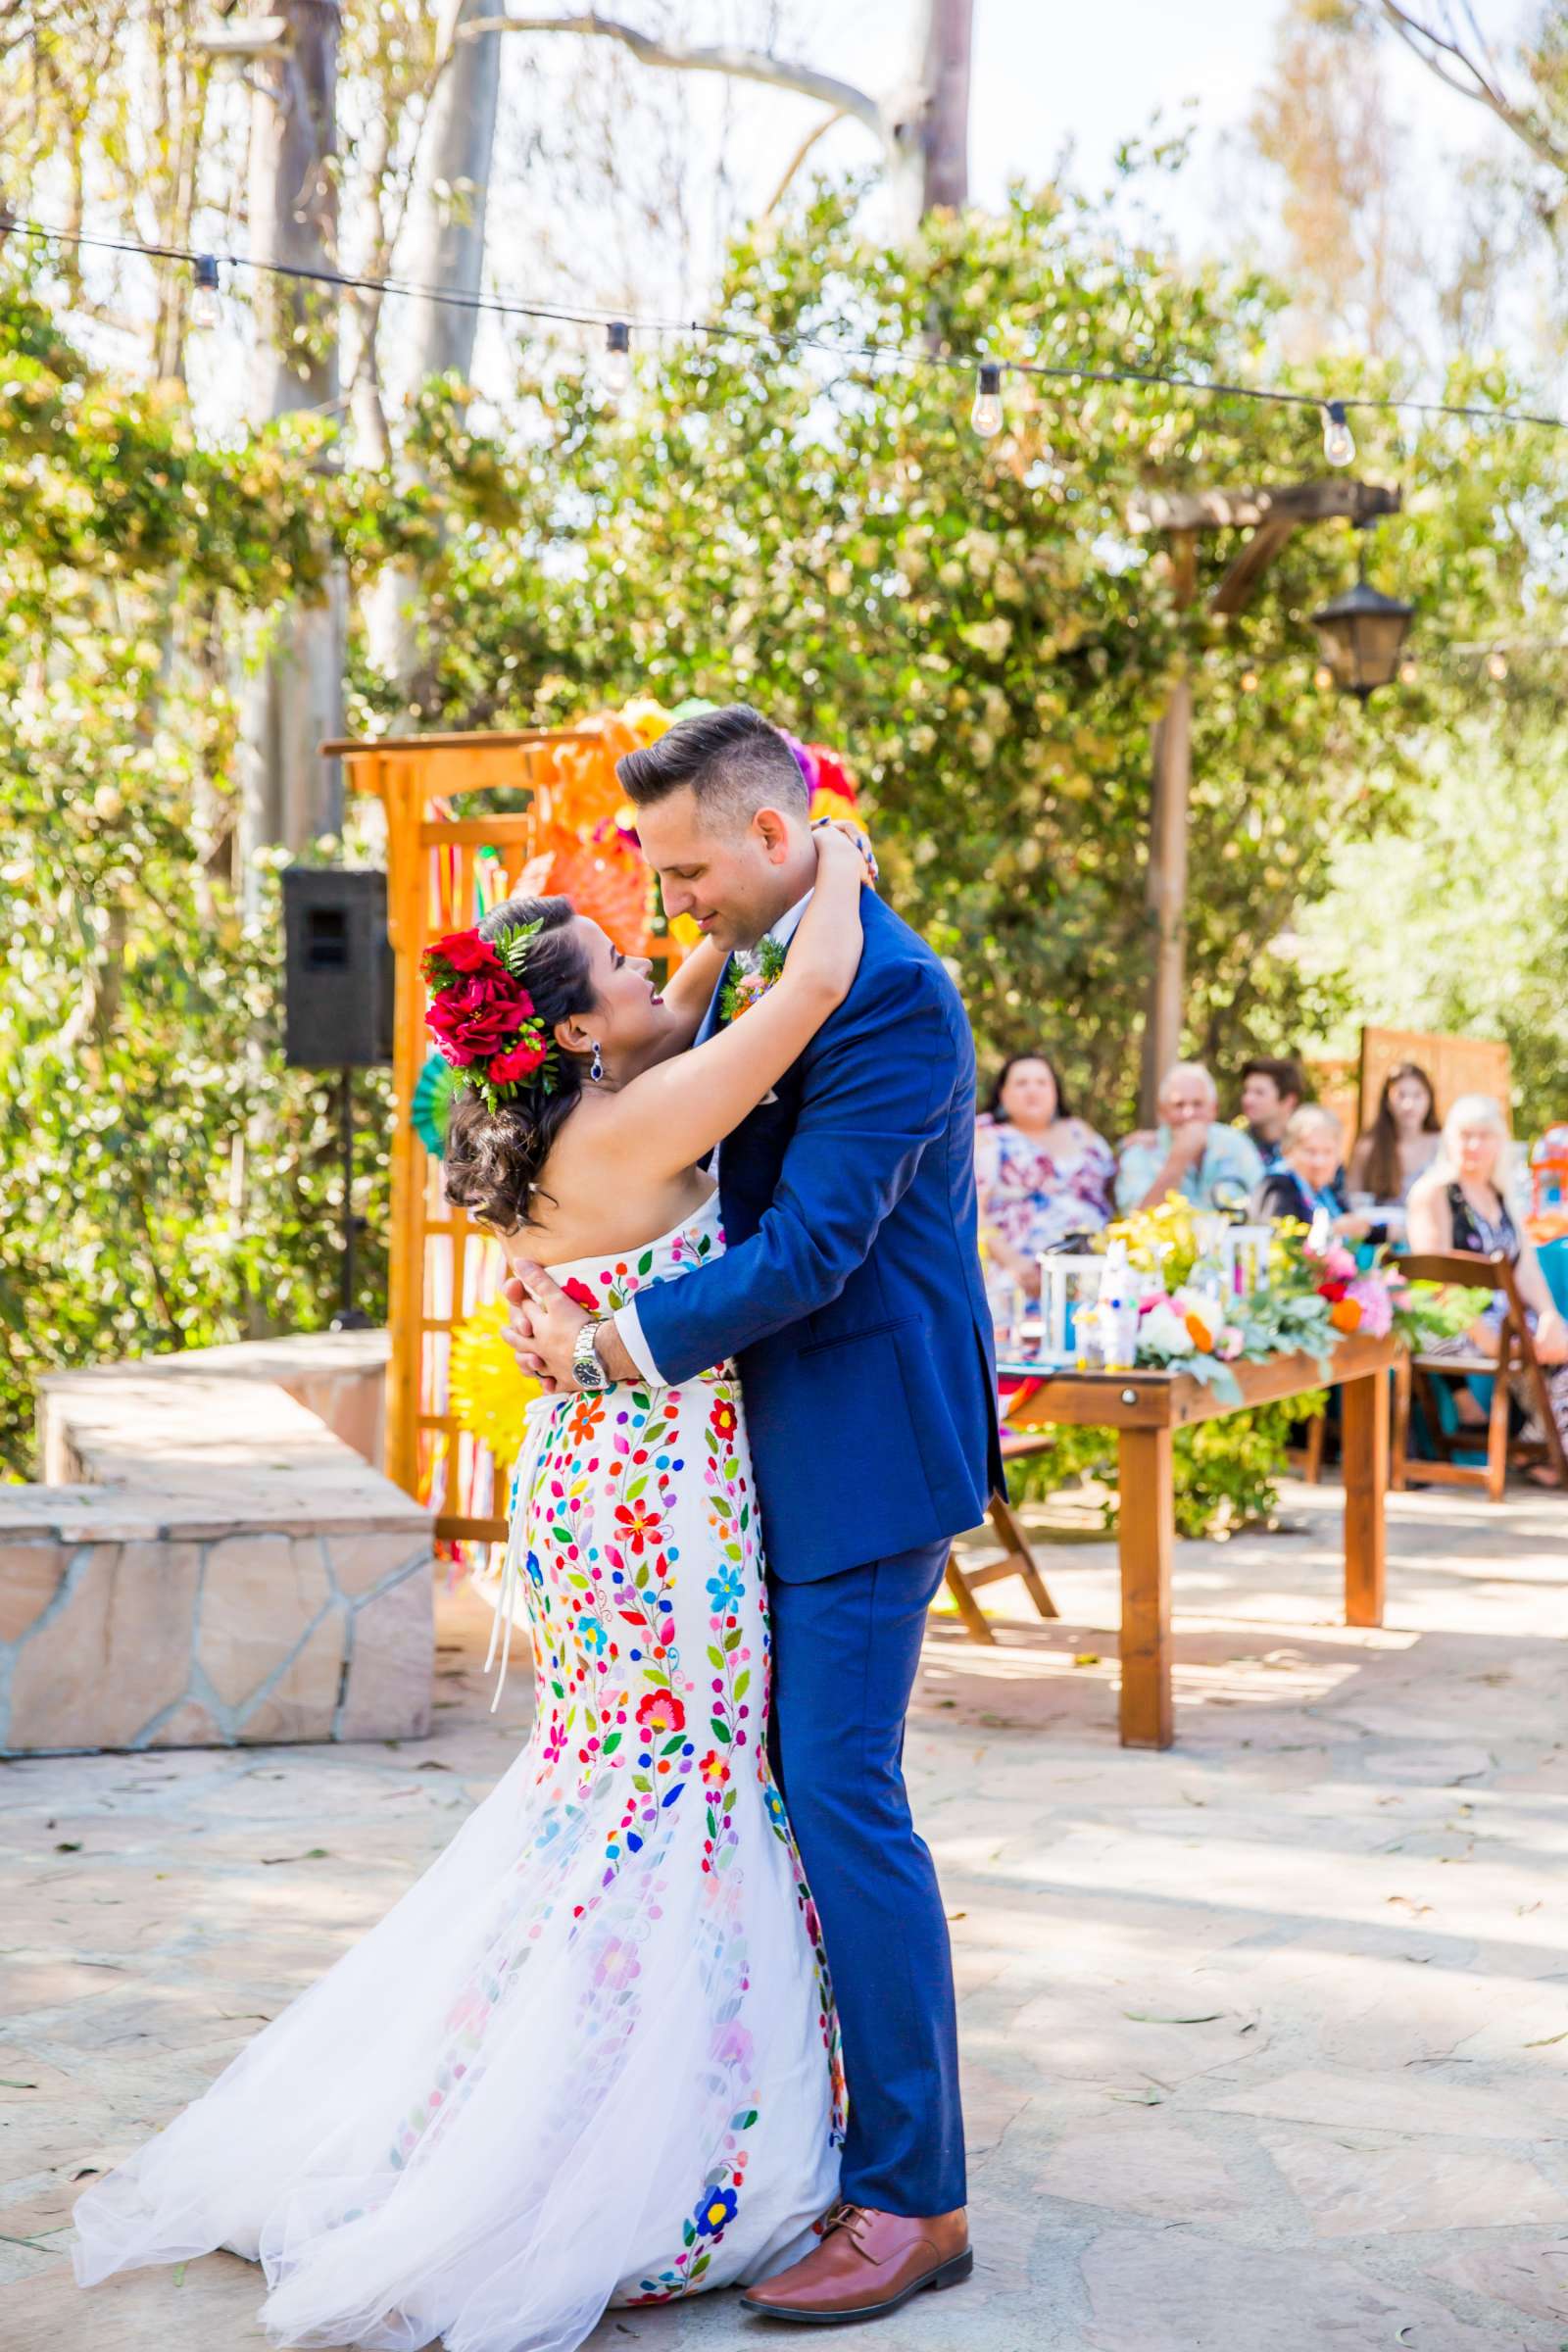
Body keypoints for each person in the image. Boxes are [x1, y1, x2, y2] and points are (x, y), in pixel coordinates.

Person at [73, 813, 899, 2348]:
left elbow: (682, 1000)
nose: (658, 949)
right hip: (660, 1498)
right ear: (577, 1029)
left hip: (581, 1490)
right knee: (687, 1781)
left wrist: (699, 941)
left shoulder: (566, 1122)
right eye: (620, 959)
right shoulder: (637, 1130)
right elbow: (797, 1002)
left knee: (607, 1786)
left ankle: (513, 2093)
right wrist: (830, 864)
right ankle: (639, 2143)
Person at [506, 705, 998, 2329]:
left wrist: (605, 1347)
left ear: (778, 839)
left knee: (840, 1793)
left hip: (860, 1451)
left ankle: (916, 2201)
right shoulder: (772, 956)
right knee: (782, 1796)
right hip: (756, 1454)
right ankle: (811, 2133)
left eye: (690, 868)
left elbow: (815, 1257)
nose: (672, 905)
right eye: (655, 879)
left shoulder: (891, 995)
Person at [1406, 1093, 1568, 1483]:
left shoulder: (1500, 1196)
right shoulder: (1435, 1193)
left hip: (1506, 1320)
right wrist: (1487, 1336)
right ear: (1450, 1139)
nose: (1474, 1145)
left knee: (1560, 1353)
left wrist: (1548, 1316)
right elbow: (1435, 1278)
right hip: (1449, 1323)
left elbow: (1525, 1268)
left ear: (1498, 1141)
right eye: (1465, 1135)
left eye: (1483, 1135)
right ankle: (1541, 1450)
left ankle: (1539, 1448)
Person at [974, 1051, 1115, 1293]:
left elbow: (1114, 1186)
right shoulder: (987, 1136)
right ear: (1003, 1093)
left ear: (1055, 1092)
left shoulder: (1079, 1130)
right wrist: (1014, 1264)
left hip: (1093, 1271)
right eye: (1021, 1083)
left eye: (1041, 1082)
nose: (1032, 1090)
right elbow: (973, 1209)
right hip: (1020, 1277)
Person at [1115, 1060, 1264, 1215]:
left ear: (1214, 1109)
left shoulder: (1236, 1144)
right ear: (1162, 1111)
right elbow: (1137, 1221)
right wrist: (1178, 1160)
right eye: (1179, 1105)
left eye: (1198, 1104)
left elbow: (1263, 1205)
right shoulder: (1140, 1154)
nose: (1189, 1114)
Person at [1254, 1105, 1374, 1240]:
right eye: (1310, 1151)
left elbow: (1356, 1227)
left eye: (1328, 1152)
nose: (1319, 1162)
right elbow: (1281, 1243)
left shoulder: (1327, 1192)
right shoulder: (1278, 1187)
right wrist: (1333, 1230)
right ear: (1288, 1151)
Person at [1348, 1061, 1442, 1202]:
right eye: (1401, 1095)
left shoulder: (1443, 1145)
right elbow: (1352, 1197)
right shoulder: (1369, 1147)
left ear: (1429, 1099)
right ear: (1387, 1101)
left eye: (1418, 1095)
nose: (1409, 1105)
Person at [1239, 1054, 1306, 1168]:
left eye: (1259, 1093)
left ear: (1289, 1101)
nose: (1247, 1099)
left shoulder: (1313, 1151)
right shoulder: (1237, 1146)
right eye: (1246, 1091)